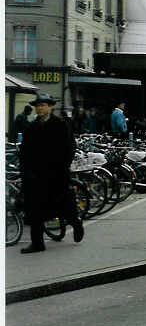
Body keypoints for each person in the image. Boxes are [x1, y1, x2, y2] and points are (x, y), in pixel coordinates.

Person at [18, 93, 82, 253]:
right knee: (34, 209)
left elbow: (69, 148)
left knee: (64, 204)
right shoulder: (31, 128)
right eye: (37, 106)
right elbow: (24, 152)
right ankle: (38, 243)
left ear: (50, 107)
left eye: (43, 105)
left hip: (56, 174)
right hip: (36, 176)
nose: (39, 108)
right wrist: (25, 172)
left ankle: (76, 223)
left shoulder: (60, 124)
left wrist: (62, 167)